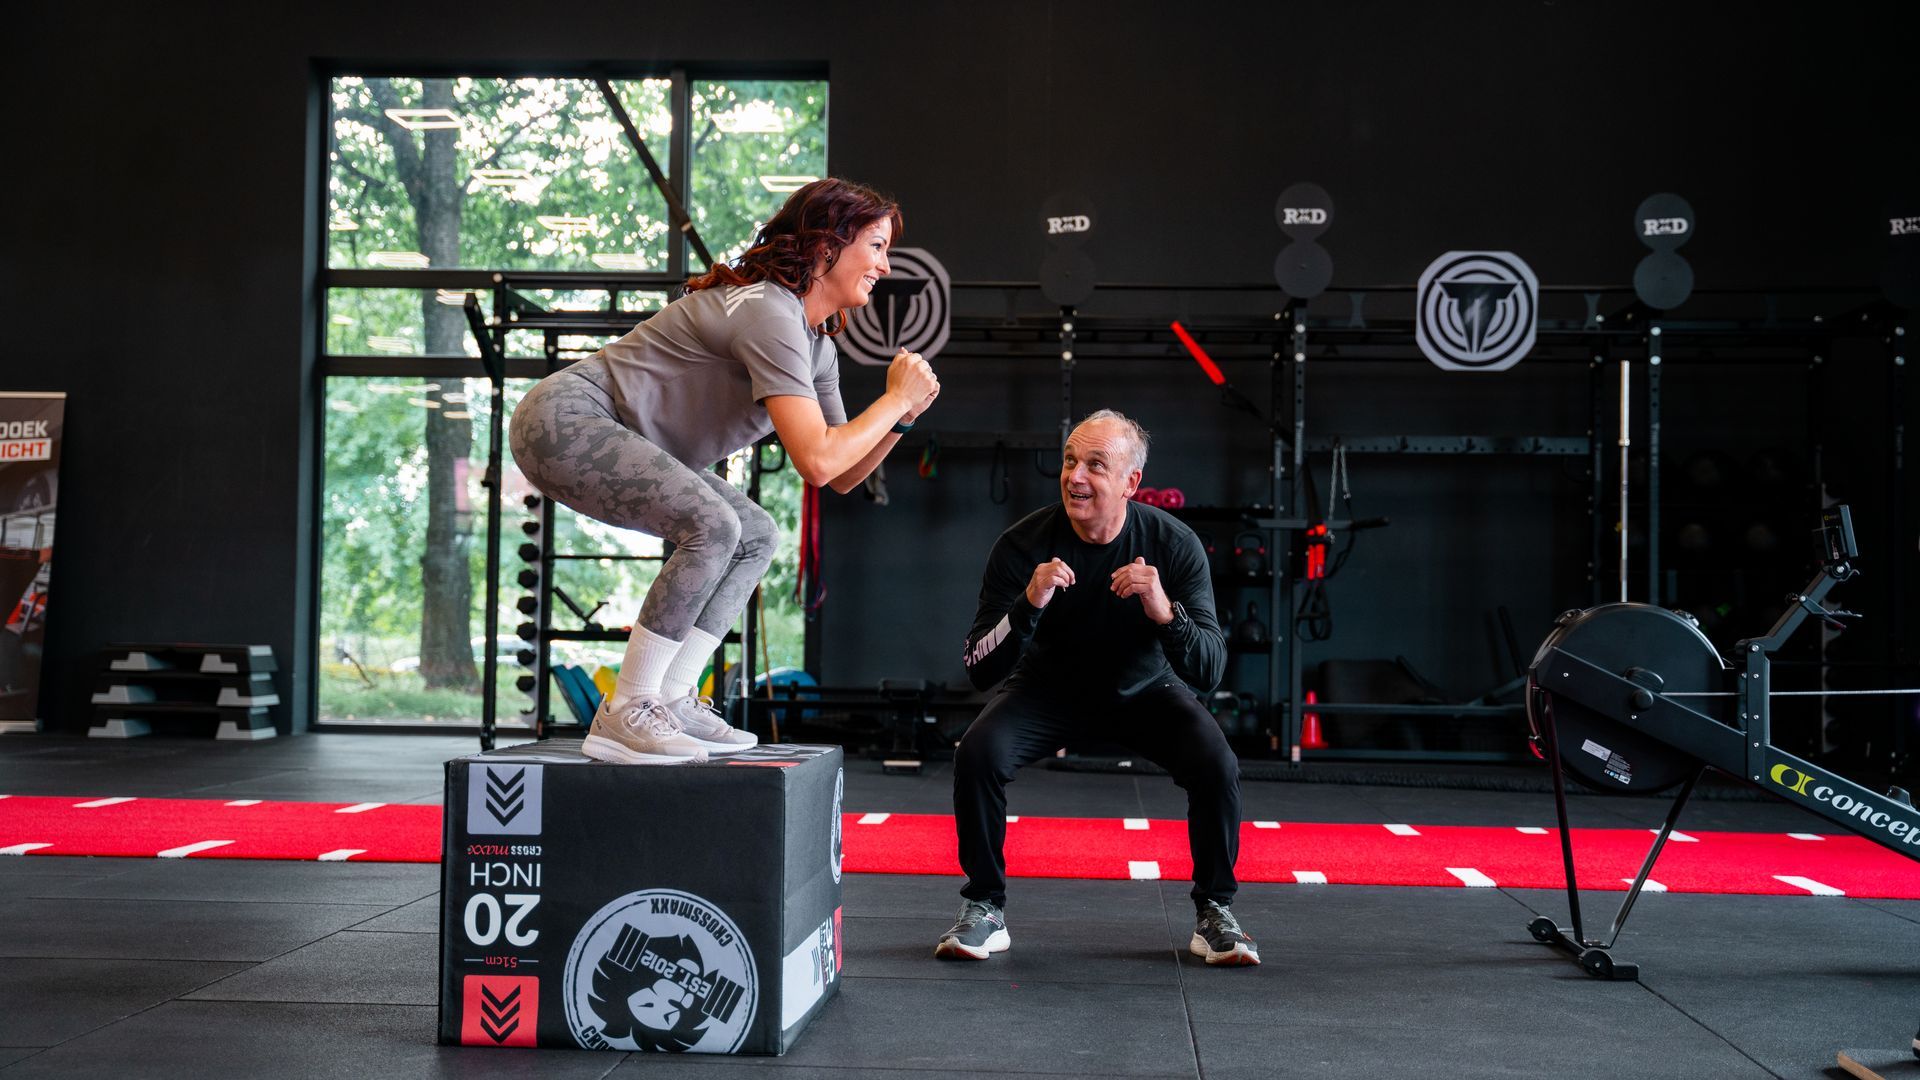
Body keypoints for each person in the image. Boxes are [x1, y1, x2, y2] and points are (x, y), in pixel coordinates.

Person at [510, 178, 938, 764]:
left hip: (627, 437)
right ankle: (628, 706)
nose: (885, 266)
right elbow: (817, 457)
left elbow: (840, 475)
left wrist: (902, 417)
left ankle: (674, 694)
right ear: (826, 246)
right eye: (877, 246)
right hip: (566, 419)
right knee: (714, 524)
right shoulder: (769, 311)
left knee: (755, 532)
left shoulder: (817, 347)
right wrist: (892, 399)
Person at [939, 409, 1258, 966]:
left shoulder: (1173, 544)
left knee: (1217, 764)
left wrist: (1166, 612)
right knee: (978, 754)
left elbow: (1209, 668)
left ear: (1132, 482)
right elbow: (979, 666)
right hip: (1046, 691)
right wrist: (1028, 604)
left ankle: (1215, 911)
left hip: (1145, 691)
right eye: (1069, 461)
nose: (1075, 476)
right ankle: (984, 906)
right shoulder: (1022, 545)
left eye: (1095, 465)